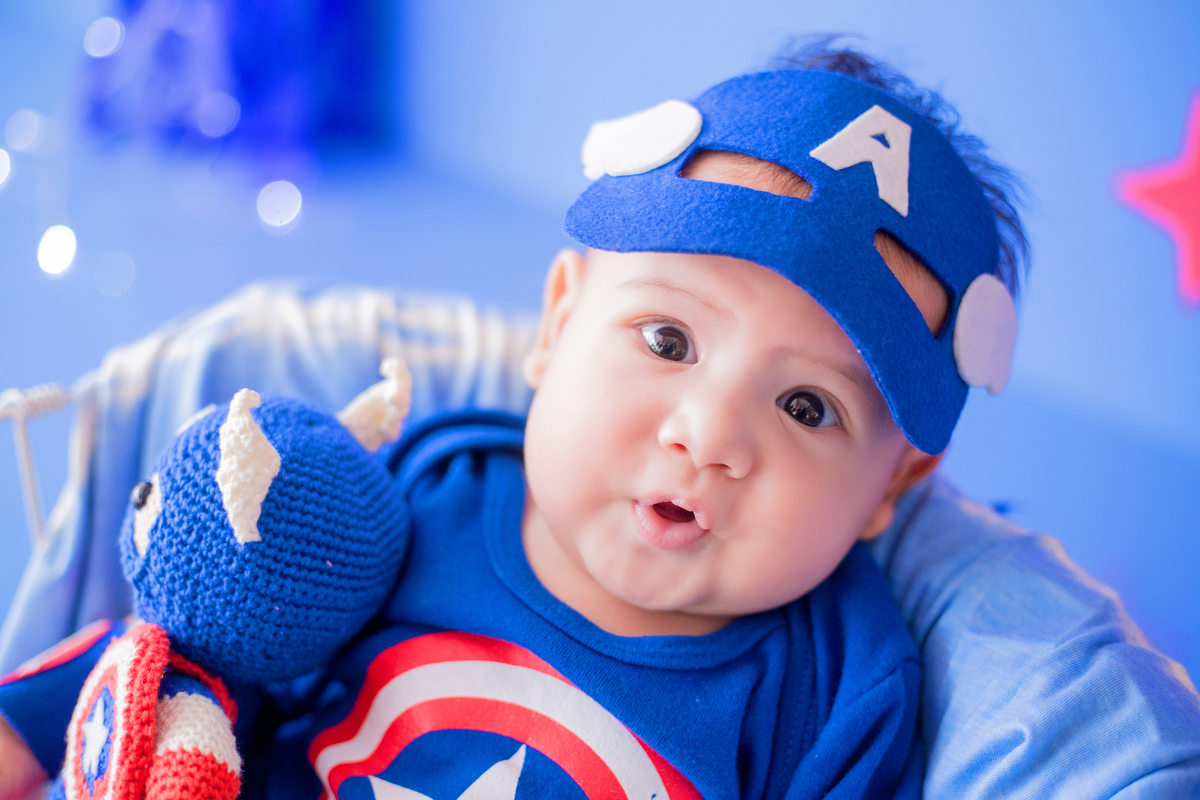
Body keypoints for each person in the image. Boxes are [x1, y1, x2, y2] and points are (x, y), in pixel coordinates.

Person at [2, 40, 1199, 800]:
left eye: (807, 405)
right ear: (558, 323)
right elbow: (204, 650)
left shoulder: (840, 679)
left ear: (892, 489)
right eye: (668, 340)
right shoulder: (422, 490)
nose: (710, 432)